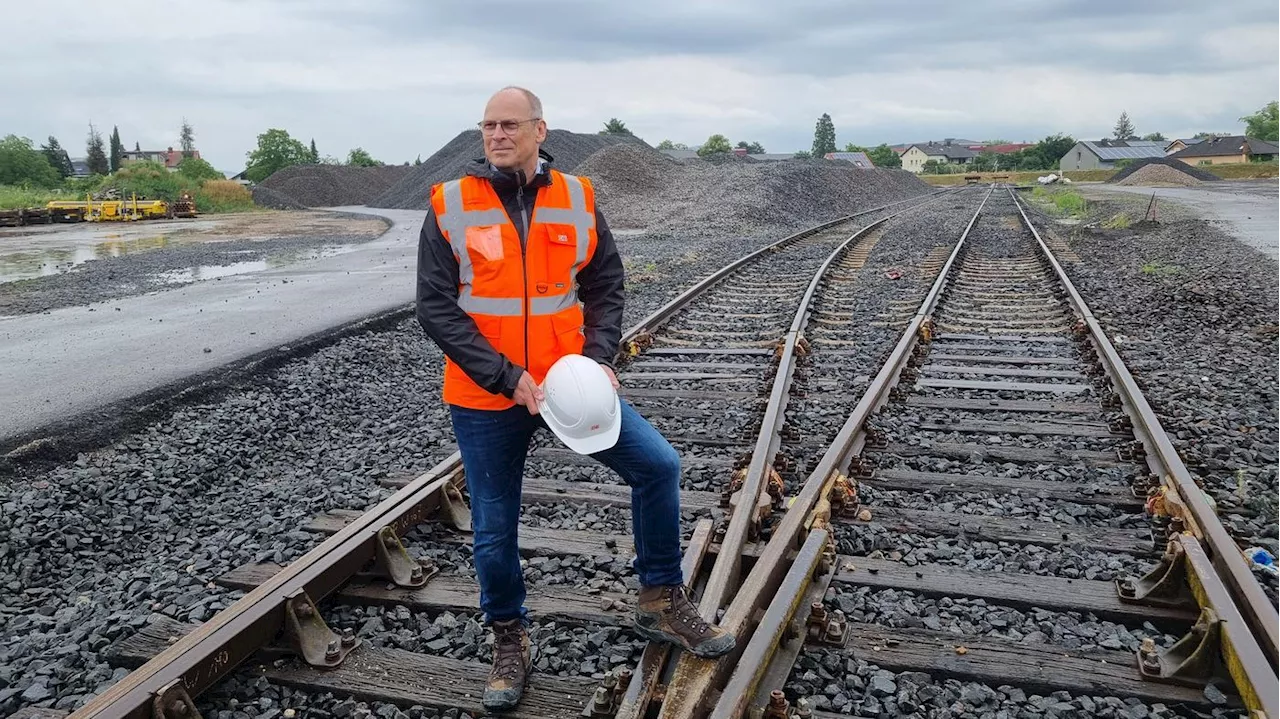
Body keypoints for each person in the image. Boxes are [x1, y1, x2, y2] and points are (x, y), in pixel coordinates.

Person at [415, 87, 735, 711]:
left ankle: (661, 602)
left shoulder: (578, 197)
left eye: (509, 124)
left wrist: (598, 360)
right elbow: (435, 307)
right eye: (488, 125)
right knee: (493, 526)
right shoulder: (451, 203)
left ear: (540, 129)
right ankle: (510, 638)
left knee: (658, 467)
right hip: (487, 394)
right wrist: (505, 377)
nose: (496, 134)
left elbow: (606, 282)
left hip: (569, 385)